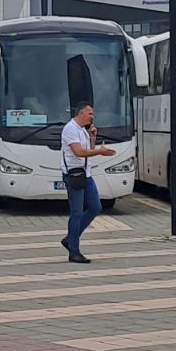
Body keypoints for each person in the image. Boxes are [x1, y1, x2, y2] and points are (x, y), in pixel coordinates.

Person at [60, 103, 115, 264]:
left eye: (93, 114)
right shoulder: (70, 129)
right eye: (89, 113)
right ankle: (74, 251)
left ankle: (70, 238)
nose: (92, 116)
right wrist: (100, 151)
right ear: (80, 113)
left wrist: (92, 138)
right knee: (76, 212)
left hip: (86, 174)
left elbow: (88, 150)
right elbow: (79, 152)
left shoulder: (82, 130)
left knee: (95, 206)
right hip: (74, 175)